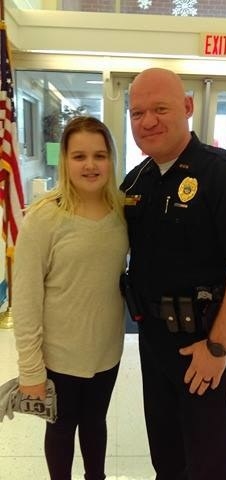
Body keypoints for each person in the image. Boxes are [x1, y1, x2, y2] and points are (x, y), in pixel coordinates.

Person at [120, 68, 226, 480]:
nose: (147, 121)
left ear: (188, 107)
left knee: (206, 460)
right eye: (137, 112)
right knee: (166, 454)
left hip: (203, 343)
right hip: (152, 341)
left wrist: (218, 348)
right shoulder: (136, 182)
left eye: (160, 108)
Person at [12, 116, 129, 480]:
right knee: (62, 429)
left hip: (107, 352)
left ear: (111, 158)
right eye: (79, 156)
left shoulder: (124, 211)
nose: (90, 165)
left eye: (99, 155)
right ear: (64, 161)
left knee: (95, 423)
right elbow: (26, 299)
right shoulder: (44, 219)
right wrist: (30, 370)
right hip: (59, 356)